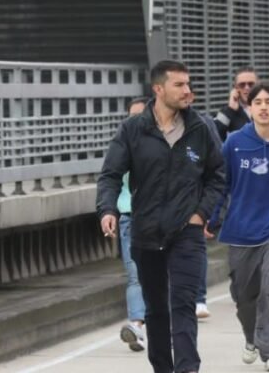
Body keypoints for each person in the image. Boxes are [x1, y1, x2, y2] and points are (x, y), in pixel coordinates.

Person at [97, 60, 226, 373]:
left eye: (188, 84)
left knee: (183, 303)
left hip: (187, 231)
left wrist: (201, 214)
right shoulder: (133, 129)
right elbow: (110, 174)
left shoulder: (200, 128)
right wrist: (108, 209)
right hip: (146, 230)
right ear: (158, 89)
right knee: (155, 309)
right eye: (179, 85)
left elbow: (218, 176)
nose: (187, 91)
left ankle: (187, 369)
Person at [207, 83, 269, 373]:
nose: (263, 107)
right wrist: (210, 217)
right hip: (240, 230)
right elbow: (221, 184)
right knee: (243, 296)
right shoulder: (234, 143)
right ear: (249, 109)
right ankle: (252, 338)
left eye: (268, 102)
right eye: (257, 103)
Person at [117, 98, 148, 353]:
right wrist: (107, 211)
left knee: (162, 276)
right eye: (132, 116)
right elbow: (110, 179)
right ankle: (136, 325)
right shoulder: (121, 146)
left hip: (160, 220)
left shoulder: (167, 144)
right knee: (135, 275)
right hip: (129, 216)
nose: (136, 120)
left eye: (141, 114)